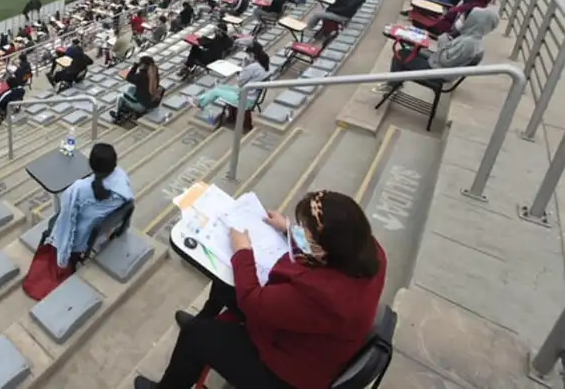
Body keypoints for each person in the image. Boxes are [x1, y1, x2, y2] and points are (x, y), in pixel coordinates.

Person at [134, 190, 386, 389]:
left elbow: (252, 301)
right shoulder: (369, 251)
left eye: (307, 233)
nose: (302, 234)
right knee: (224, 286)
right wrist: (289, 229)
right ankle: (207, 318)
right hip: (308, 338)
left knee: (194, 336)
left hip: (287, 373)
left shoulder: (323, 297)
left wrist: (243, 251)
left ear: (326, 247)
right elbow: (322, 253)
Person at [23, 143, 135, 300]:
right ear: (114, 163)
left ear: (90, 164)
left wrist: (62, 261)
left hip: (81, 242)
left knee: (54, 221)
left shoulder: (76, 191)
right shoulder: (122, 179)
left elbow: (66, 227)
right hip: (102, 231)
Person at [372, 5, 499, 94]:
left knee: (401, 55)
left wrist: (446, 38)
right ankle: (396, 82)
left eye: (466, 18)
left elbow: (445, 61)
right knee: (411, 50)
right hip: (438, 65)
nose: (462, 20)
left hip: (438, 72)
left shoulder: (469, 43)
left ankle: (392, 85)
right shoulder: (468, 38)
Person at [193, 41, 271, 118]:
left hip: (245, 100)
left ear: (252, 55)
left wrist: (243, 68)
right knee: (220, 86)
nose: (246, 56)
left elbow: (240, 83)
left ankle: (200, 104)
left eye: (247, 54)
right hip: (249, 95)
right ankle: (199, 99)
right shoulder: (262, 63)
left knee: (216, 91)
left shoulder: (252, 67)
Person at [414, 0, 499, 35]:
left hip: (443, 26)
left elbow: (456, 22)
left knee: (417, 17)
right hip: (445, 21)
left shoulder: (473, 6)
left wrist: (446, 14)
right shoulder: (477, 5)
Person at [111, 56, 163, 122]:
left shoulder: (141, 75)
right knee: (131, 88)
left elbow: (128, 77)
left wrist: (135, 66)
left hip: (142, 105)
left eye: (140, 63)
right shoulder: (154, 74)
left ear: (143, 65)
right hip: (151, 102)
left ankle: (117, 115)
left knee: (121, 96)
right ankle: (126, 110)